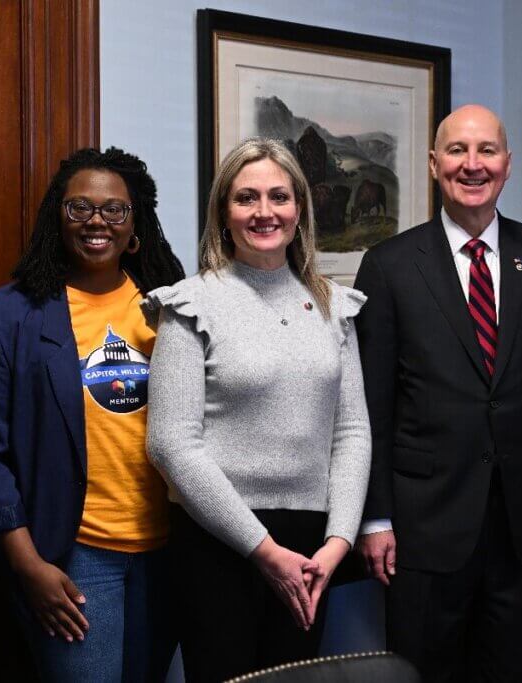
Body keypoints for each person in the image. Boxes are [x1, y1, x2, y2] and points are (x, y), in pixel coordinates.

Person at [353, 104, 522, 682]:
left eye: (486, 150)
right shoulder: (388, 266)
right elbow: (369, 409)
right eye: (458, 151)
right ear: (435, 165)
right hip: (422, 527)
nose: (473, 164)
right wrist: (375, 518)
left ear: (507, 165)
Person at [143, 137, 372, 683]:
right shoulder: (189, 304)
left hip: (312, 548)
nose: (264, 212)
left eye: (279, 197)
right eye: (247, 198)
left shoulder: (333, 305)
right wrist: (265, 552)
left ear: (300, 210)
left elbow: (353, 432)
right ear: (224, 212)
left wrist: (338, 543)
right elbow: (171, 443)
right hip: (219, 543)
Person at [0, 147, 185, 681]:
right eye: (79, 207)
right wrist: (27, 564)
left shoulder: (172, 309)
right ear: (56, 218)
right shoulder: (7, 315)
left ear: (136, 225)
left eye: (115, 210)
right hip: (74, 555)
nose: (97, 221)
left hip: (168, 552)